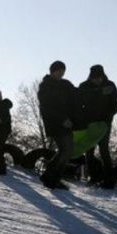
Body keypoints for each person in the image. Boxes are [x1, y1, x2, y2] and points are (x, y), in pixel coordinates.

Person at [37, 60, 81, 190]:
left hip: (67, 123)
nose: (62, 73)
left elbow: (77, 93)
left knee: (66, 151)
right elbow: (47, 107)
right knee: (66, 150)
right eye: (59, 71)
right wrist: (62, 119)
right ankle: (53, 178)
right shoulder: (45, 86)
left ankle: (49, 176)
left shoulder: (65, 84)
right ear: (53, 70)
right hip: (55, 123)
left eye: (63, 71)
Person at [78, 64, 117, 187]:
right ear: (90, 77)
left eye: (99, 77)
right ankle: (93, 177)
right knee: (89, 150)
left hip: (104, 123)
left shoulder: (110, 85)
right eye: (94, 78)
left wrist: (108, 116)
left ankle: (109, 179)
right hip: (89, 123)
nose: (97, 80)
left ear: (103, 76)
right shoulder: (84, 87)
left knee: (104, 150)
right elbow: (77, 103)